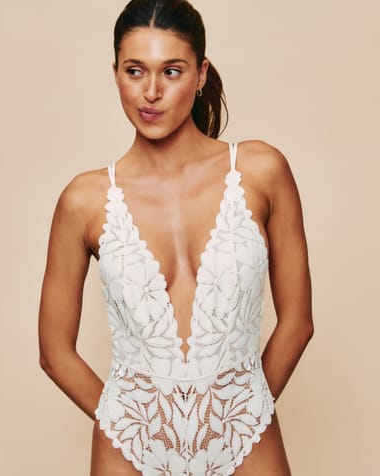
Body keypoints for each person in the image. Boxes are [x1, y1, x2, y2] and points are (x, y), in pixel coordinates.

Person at [38, 1, 314, 474]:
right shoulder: (83, 200)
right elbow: (54, 352)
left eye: (171, 71)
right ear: (115, 74)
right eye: (135, 71)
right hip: (131, 446)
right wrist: (128, 422)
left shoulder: (261, 170)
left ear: (201, 74)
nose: (151, 92)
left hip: (246, 436)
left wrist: (241, 412)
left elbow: (298, 322)